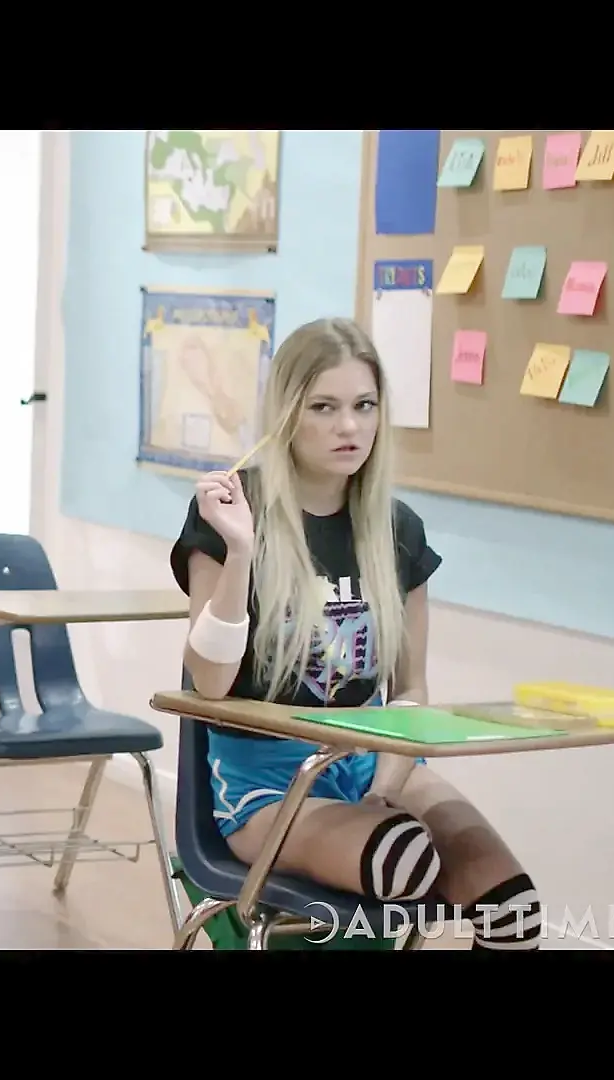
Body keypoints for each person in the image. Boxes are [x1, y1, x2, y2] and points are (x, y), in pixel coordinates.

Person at [170, 316, 540, 951]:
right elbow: (208, 683)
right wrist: (240, 552)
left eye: (364, 406)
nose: (349, 426)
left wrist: (386, 786)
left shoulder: (397, 530)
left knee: (513, 910)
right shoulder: (231, 514)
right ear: (288, 413)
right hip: (266, 783)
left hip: (373, 761)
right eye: (325, 407)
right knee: (402, 858)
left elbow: (410, 690)